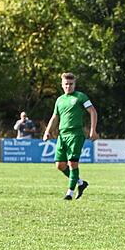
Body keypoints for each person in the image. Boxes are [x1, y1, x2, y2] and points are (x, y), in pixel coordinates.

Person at [42, 72, 98, 200]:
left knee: (72, 163)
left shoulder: (80, 97)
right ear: (62, 85)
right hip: (62, 135)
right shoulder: (60, 100)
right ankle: (80, 183)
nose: (68, 86)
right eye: (66, 84)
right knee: (60, 165)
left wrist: (93, 130)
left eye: (71, 84)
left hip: (75, 134)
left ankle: (69, 193)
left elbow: (93, 111)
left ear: (74, 84)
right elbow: (55, 117)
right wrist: (47, 131)